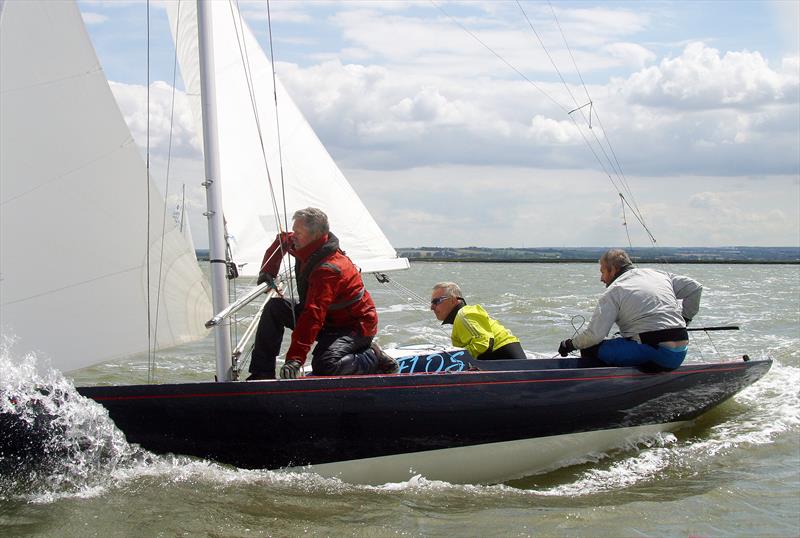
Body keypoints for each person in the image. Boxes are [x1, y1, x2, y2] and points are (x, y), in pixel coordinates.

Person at [247, 207, 398, 380]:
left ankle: (373, 356)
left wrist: (295, 359)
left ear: (315, 235)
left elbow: (313, 314)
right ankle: (261, 374)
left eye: (298, 232)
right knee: (275, 308)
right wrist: (267, 272)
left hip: (355, 327)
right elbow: (282, 240)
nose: (293, 235)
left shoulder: (329, 269)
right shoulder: (303, 243)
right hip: (329, 320)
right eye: (294, 230)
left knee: (325, 365)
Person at [558, 248, 703, 370]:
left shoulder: (614, 291)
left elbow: (594, 336)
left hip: (656, 354)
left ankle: (604, 389)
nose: (601, 278)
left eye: (602, 272)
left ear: (613, 269)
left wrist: (569, 344)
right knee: (621, 340)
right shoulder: (659, 275)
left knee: (590, 348)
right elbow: (695, 288)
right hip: (680, 353)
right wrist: (685, 320)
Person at [430, 282, 526, 360]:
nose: (432, 307)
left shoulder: (464, 314)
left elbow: (484, 344)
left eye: (436, 301)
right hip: (504, 359)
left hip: (507, 357)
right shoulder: (460, 318)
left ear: (453, 301)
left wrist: (452, 357)